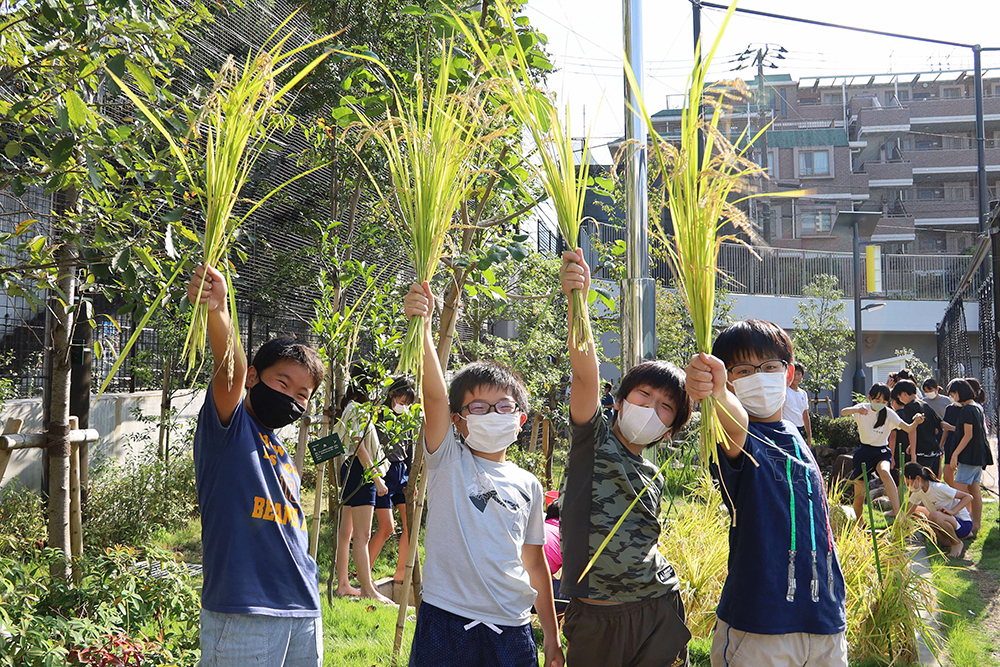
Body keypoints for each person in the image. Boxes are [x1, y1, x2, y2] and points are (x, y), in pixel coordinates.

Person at [403, 281, 564, 667]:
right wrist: (423, 328)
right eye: (478, 407)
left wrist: (553, 640)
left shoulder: (529, 484)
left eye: (503, 407)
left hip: (511, 628)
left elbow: (534, 562)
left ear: (521, 419)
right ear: (457, 421)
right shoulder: (448, 460)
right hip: (445, 620)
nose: (492, 414)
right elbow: (435, 395)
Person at [685, 319, 847, 667]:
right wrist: (714, 389)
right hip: (759, 632)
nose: (759, 376)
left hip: (826, 626)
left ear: (788, 374)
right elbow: (735, 421)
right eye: (743, 370)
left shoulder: (792, 432)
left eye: (770, 366)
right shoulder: (740, 438)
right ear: (727, 379)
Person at [560, 250, 693, 667]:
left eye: (666, 406)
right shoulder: (593, 440)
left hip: (658, 607)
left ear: (670, 430)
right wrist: (576, 300)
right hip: (597, 614)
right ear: (618, 402)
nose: (652, 408)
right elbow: (585, 374)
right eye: (644, 395)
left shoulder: (652, 473)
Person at [188, 264, 324, 667]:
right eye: (282, 383)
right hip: (244, 610)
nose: (292, 399)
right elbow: (227, 371)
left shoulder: (281, 452)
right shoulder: (228, 430)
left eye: (302, 394)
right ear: (253, 377)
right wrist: (218, 310)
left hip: (302, 607)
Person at [333, 377, 394, 604]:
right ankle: (368, 589)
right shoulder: (358, 409)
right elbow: (359, 446)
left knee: (346, 533)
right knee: (362, 535)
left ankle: (343, 584)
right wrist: (377, 479)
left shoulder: (351, 407)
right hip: (360, 471)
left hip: (349, 469)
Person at [841, 384, 924, 520]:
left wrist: (916, 422)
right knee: (859, 494)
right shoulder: (863, 409)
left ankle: (898, 513)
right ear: (870, 398)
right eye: (877, 400)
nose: (880, 404)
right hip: (864, 452)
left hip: (881, 451)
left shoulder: (890, 414)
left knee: (884, 471)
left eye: (884, 402)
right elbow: (843, 412)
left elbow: (908, 428)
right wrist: (856, 409)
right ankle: (859, 522)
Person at [368, 376, 418, 583]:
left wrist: (412, 480)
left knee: (410, 525)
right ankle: (364, 571)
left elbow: (410, 448)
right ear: (392, 395)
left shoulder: (408, 418)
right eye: (402, 401)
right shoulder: (377, 415)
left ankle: (400, 573)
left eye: (408, 403)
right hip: (383, 471)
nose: (404, 406)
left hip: (403, 472)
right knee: (387, 527)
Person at [946, 378, 994, 537]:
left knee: (958, 494)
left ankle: (961, 528)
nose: (952, 397)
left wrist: (955, 454)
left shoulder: (967, 410)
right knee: (974, 490)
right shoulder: (977, 407)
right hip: (978, 457)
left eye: (952, 394)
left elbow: (968, 435)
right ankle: (976, 524)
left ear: (959, 393)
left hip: (969, 457)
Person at [903, 462, 973, 558]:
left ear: (918, 479)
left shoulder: (939, 488)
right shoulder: (918, 492)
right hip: (947, 520)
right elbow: (908, 511)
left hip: (962, 524)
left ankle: (956, 542)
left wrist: (952, 511)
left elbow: (968, 497)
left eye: (909, 483)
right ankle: (945, 539)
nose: (908, 487)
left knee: (934, 515)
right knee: (916, 511)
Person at [891, 380, 943, 476]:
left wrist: (913, 455)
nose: (899, 399)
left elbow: (912, 430)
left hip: (921, 451)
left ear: (904, 394)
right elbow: (936, 428)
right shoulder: (925, 404)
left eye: (899, 396)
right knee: (933, 482)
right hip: (934, 448)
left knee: (920, 483)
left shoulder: (909, 407)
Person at [783, 361, 812, 446]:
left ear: (802, 376)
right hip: (787, 429)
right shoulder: (784, 391)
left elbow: (805, 414)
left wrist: (809, 436)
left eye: (798, 374)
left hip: (799, 429)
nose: (796, 376)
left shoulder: (803, 393)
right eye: (794, 373)